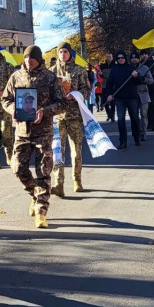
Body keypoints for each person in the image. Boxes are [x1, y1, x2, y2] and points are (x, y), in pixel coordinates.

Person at [1, 45, 67, 228]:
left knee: (43, 172)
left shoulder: (50, 77)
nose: (28, 61)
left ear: (39, 59)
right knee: (18, 168)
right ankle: (34, 194)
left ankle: (41, 211)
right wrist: (12, 109)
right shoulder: (16, 76)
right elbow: (5, 99)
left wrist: (44, 111)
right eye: (26, 58)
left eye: (32, 58)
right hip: (22, 132)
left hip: (43, 133)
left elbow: (62, 103)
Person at [52, 41, 91, 196]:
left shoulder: (79, 70)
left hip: (74, 115)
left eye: (65, 52)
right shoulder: (51, 72)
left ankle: (77, 180)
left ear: (70, 53)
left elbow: (87, 89)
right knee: (57, 151)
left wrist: (76, 95)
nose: (63, 54)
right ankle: (58, 183)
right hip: (57, 116)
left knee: (76, 151)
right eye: (60, 52)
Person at [104, 51, 141, 148]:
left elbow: (139, 81)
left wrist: (136, 76)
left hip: (132, 97)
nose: (121, 59)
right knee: (120, 119)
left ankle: (136, 137)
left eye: (122, 58)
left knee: (135, 118)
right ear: (116, 59)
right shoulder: (114, 70)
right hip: (119, 98)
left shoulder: (131, 68)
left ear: (125, 58)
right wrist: (109, 94)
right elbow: (109, 84)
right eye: (119, 58)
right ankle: (122, 141)